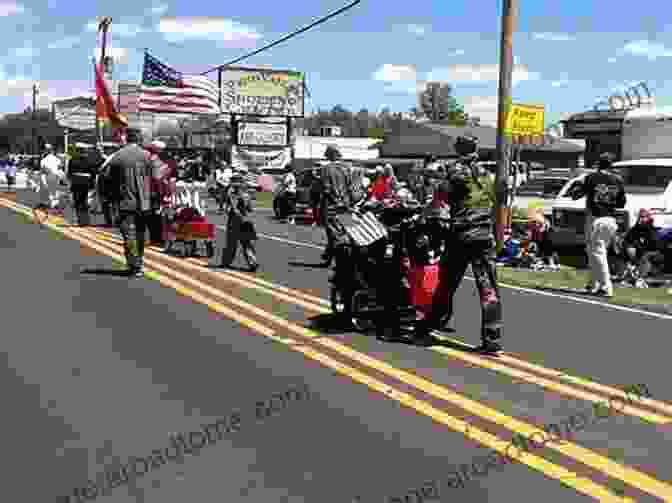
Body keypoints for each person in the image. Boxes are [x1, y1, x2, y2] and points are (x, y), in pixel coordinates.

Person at [414, 145, 503, 354]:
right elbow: (496, 201)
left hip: (462, 235)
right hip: (484, 234)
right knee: (488, 287)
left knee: (446, 283)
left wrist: (423, 216)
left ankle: (429, 327)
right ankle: (492, 339)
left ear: (458, 149)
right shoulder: (486, 173)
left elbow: (440, 199)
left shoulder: (454, 170)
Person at [100, 130, 161, 277]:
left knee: (128, 234)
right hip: (144, 203)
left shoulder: (117, 156)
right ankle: (138, 261)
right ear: (139, 139)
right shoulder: (148, 156)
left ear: (127, 138)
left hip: (124, 201)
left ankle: (134, 264)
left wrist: (108, 198)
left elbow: (105, 178)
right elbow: (158, 176)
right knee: (140, 233)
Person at [569, 152, 626, 297]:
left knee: (597, 253)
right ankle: (592, 284)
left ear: (598, 163)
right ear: (611, 164)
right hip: (610, 219)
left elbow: (576, 195)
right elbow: (621, 203)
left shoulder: (592, 177)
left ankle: (606, 287)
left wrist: (577, 187)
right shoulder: (618, 180)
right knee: (594, 252)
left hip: (595, 218)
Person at [318, 145, 353, 266]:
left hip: (331, 204)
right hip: (346, 204)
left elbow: (326, 189)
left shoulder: (326, 169)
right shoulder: (347, 168)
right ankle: (330, 257)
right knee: (344, 231)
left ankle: (335, 259)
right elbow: (350, 187)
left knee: (332, 233)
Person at [219, 173, 258, 271]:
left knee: (231, 243)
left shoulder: (230, 194)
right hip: (246, 220)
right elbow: (250, 209)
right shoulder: (246, 194)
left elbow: (226, 207)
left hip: (234, 220)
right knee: (247, 243)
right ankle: (252, 262)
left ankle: (226, 262)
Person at [621, 209, 665, 284]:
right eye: (640, 217)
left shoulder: (652, 230)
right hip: (638, 254)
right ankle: (628, 273)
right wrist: (629, 247)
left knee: (645, 257)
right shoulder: (634, 230)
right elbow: (626, 241)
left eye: (643, 217)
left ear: (648, 218)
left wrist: (638, 248)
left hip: (652, 254)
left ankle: (640, 277)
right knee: (627, 251)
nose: (641, 219)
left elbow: (654, 247)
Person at [67, 144, 102, 226]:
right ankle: (86, 220)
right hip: (86, 183)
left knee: (78, 202)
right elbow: (93, 172)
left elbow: (69, 173)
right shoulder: (90, 160)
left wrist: (71, 182)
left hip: (76, 183)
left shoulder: (72, 160)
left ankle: (80, 220)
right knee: (85, 202)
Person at [35, 144, 67, 218]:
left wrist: (39, 181)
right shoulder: (57, 159)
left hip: (48, 176)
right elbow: (60, 168)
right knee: (54, 191)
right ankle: (55, 205)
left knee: (49, 191)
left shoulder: (43, 160)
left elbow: (43, 170)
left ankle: (52, 206)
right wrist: (63, 178)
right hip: (56, 176)